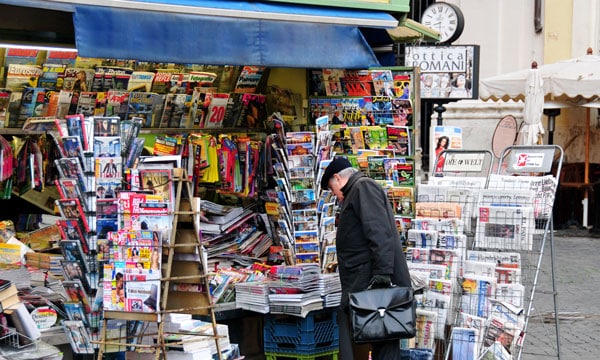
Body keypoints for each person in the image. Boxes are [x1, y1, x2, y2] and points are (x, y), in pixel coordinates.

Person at [320, 157, 412, 360]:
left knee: (385, 340)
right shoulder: (358, 190)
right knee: (381, 340)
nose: (334, 194)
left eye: (331, 188)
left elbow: (379, 233)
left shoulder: (362, 188)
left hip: (375, 283)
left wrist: (382, 273)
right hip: (369, 280)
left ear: (338, 178)